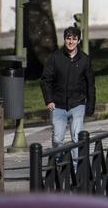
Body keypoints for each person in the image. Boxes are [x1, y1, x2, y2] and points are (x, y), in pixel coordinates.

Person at [41, 26, 96, 166]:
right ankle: (58, 165)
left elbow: (90, 84)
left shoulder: (85, 60)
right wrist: (49, 100)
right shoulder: (55, 58)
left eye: (74, 39)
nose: (71, 42)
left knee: (77, 138)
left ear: (78, 41)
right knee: (58, 139)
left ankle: (76, 169)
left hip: (78, 104)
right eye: (68, 39)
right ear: (64, 39)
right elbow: (45, 80)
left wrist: (90, 106)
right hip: (58, 105)